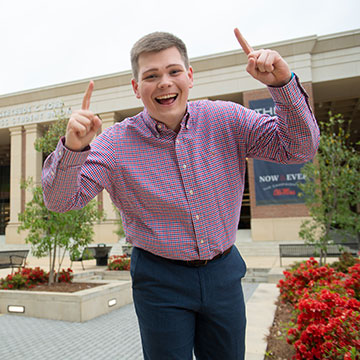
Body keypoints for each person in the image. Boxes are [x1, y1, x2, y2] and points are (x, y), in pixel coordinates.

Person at [42, 29, 320, 360]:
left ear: (190, 76)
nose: (165, 82)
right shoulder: (113, 145)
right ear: (136, 88)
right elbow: (60, 202)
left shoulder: (226, 119)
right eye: (151, 76)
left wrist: (282, 84)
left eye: (174, 71)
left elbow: (299, 148)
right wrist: (75, 149)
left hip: (224, 273)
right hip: (159, 280)